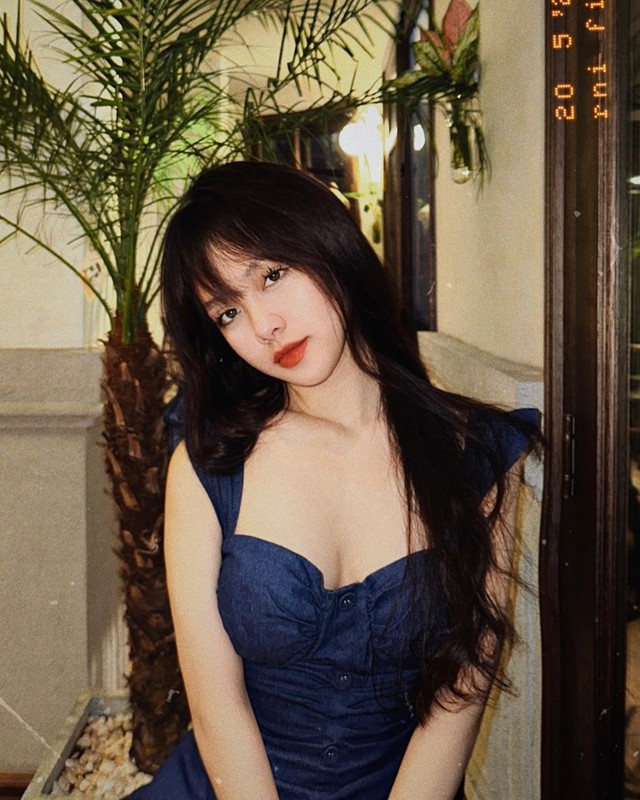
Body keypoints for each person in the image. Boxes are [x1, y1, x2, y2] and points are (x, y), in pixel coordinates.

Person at [124, 160, 539, 800]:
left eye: (272, 275)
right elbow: (216, 707)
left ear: (329, 245)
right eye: (227, 312)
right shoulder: (210, 468)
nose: (263, 326)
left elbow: (462, 689)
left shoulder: (475, 454)